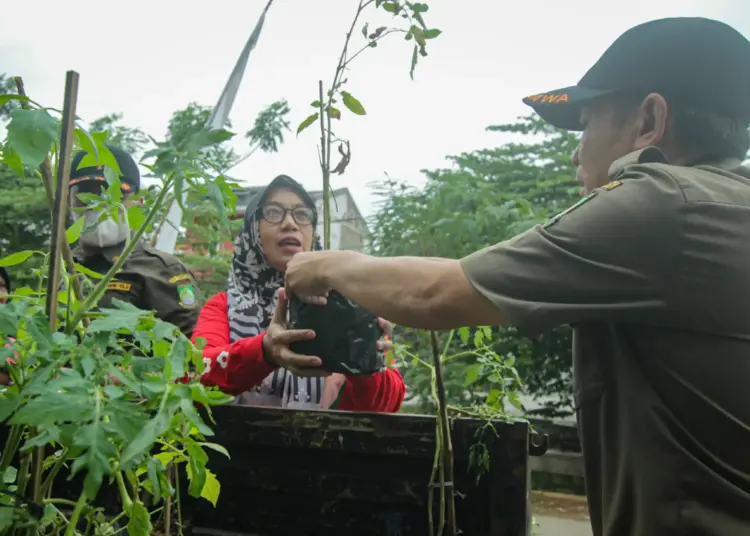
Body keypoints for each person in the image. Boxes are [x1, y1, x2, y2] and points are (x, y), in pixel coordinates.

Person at [283, 17, 750, 536]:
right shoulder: (726, 209)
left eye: (588, 121)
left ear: (649, 120)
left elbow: (434, 295)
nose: (575, 151)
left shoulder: (663, 208)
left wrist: (321, 264)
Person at [192, 174, 405, 412]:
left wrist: (363, 355)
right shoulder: (222, 307)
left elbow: (388, 405)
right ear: (253, 229)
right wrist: (264, 352)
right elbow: (192, 377)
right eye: (273, 212)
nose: (290, 223)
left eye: (302, 215)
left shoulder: (352, 306)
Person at [70, 144, 201, 338]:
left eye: (116, 194)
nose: (99, 205)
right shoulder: (60, 267)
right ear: (69, 200)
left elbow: (191, 349)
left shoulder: (163, 271)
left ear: (137, 202)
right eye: (87, 195)